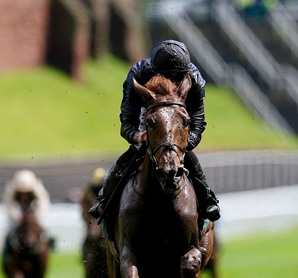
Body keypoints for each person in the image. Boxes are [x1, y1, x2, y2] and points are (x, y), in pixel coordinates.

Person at [88, 39, 221, 222]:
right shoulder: (138, 74)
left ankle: (207, 200)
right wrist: (136, 136)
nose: (171, 80)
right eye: (166, 75)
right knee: (131, 155)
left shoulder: (194, 78)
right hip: (148, 116)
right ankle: (105, 200)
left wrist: (183, 143)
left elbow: (198, 121)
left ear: (185, 72)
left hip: (179, 120)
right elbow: (127, 119)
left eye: (177, 76)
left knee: (187, 156)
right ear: (155, 71)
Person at [2, 169, 51, 258]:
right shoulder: (11, 190)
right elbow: (8, 205)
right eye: (21, 192)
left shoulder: (37, 189)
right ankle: (6, 253)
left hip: (34, 211)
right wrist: (17, 216)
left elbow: (43, 204)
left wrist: (36, 215)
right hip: (18, 211)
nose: (24, 194)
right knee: (9, 231)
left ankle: (50, 247)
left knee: (44, 229)